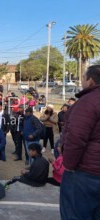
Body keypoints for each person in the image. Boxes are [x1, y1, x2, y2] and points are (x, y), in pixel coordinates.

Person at [60, 65, 100, 220]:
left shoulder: (87, 102)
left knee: (75, 214)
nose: (82, 80)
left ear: (90, 80)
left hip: (86, 174)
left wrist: (69, 165)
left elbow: (76, 138)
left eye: (83, 77)